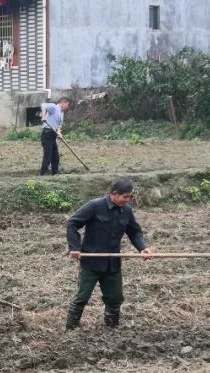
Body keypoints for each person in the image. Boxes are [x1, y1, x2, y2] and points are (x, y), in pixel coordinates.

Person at [65, 177, 152, 330]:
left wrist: (142, 247)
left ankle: (111, 328)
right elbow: (72, 222)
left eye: (129, 197)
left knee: (115, 298)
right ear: (114, 194)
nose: (127, 200)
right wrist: (75, 247)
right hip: (91, 263)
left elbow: (134, 232)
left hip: (112, 263)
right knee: (82, 297)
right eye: (125, 197)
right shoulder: (94, 206)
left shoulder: (126, 210)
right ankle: (71, 329)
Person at [39, 96, 70, 176]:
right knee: (48, 156)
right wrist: (43, 116)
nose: (68, 107)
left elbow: (58, 126)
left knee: (55, 157)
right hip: (47, 133)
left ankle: (55, 173)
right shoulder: (54, 107)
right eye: (67, 104)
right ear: (63, 102)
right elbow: (43, 105)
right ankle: (43, 174)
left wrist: (59, 133)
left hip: (53, 135)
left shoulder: (61, 114)